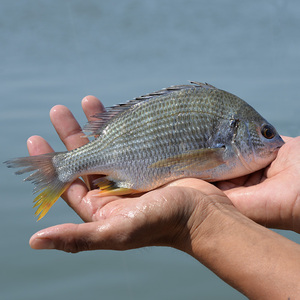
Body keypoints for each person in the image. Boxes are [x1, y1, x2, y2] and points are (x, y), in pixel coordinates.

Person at [28, 96, 300, 299]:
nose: (277, 144)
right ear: (234, 133)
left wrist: (195, 220)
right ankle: (61, 167)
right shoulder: (229, 146)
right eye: (266, 134)